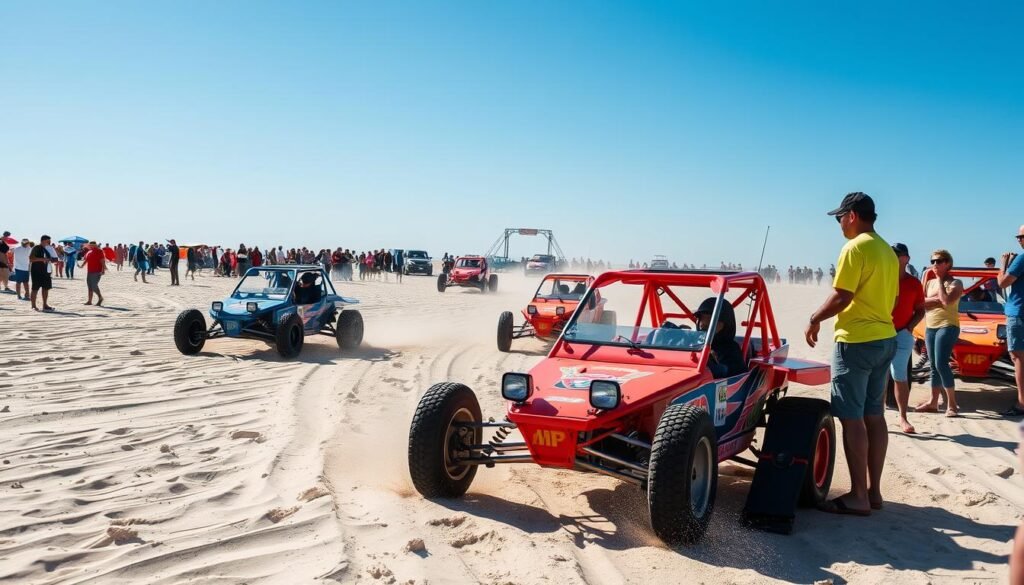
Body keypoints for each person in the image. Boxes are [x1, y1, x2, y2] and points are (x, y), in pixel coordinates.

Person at [805, 192, 897, 516]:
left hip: (857, 341)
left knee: (851, 418)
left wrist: (814, 318)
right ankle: (874, 492)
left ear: (853, 216)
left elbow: (842, 296)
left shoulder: (854, 247)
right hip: (885, 339)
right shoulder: (886, 250)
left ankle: (858, 496)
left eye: (839, 217)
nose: (839, 224)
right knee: (875, 415)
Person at [915, 249, 963, 417]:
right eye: (933, 261)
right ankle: (933, 402)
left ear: (948, 263)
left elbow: (946, 301)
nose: (935, 264)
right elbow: (920, 303)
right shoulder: (929, 283)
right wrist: (935, 299)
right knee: (934, 365)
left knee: (942, 364)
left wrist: (940, 280)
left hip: (948, 326)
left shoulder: (956, 283)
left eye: (939, 260)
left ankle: (952, 405)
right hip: (931, 326)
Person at [888, 243, 925, 434]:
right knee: (877, 376)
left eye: (897, 254)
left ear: (906, 258)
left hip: (902, 333)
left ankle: (903, 418)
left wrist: (909, 328)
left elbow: (920, 310)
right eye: (891, 253)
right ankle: (875, 417)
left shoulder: (914, 283)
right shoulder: (882, 279)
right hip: (880, 333)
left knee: (899, 376)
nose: (892, 256)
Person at [997, 225, 1024, 416]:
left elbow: (1002, 282)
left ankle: (1022, 403)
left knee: (1018, 359)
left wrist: (1004, 263)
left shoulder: (1022, 259)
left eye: (1021, 236)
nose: (1019, 240)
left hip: (1019, 313)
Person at [693, 297, 746, 378]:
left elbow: (732, 374)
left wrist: (711, 363)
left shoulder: (731, 349)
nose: (703, 323)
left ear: (725, 325)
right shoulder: (694, 343)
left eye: (711, 319)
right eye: (702, 318)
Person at [29, 235, 57, 311]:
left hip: (46, 271)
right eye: (48, 241)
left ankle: (45, 305)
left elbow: (52, 259)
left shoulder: (47, 249)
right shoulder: (37, 247)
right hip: (37, 271)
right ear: (43, 240)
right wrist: (43, 259)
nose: (49, 242)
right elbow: (31, 259)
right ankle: (33, 305)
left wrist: (52, 259)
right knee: (35, 288)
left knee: (46, 288)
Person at [80, 241, 106, 306]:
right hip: (89, 271)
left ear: (95, 245)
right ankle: (89, 301)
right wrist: (82, 265)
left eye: (92, 245)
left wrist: (103, 270)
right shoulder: (89, 252)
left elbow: (102, 261)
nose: (90, 246)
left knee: (94, 286)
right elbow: (86, 260)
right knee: (89, 286)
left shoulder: (99, 251)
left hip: (97, 271)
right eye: (90, 245)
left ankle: (100, 297)